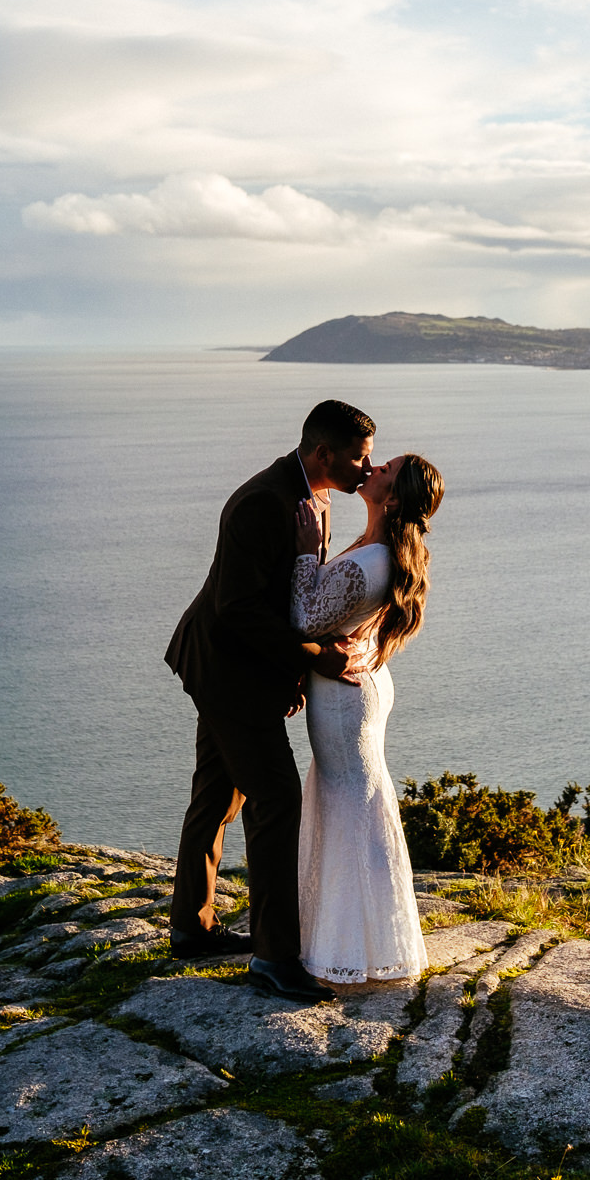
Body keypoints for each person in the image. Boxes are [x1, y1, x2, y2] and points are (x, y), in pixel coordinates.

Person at [166, 400, 374, 1002]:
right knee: (277, 799)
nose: (368, 466)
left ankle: (190, 928)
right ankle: (275, 958)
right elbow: (240, 610)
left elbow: (289, 597)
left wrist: (290, 676)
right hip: (228, 670)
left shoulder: (315, 496)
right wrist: (312, 660)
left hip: (246, 668)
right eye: (358, 457)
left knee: (216, 793)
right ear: (323, 453)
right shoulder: (265, 502)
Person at [291, 452, 442, 985]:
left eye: (385, 471)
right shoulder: (380, 551)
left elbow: (304, 617)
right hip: (354, 689)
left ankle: (354, 949)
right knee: (354, 800)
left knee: (351, 804)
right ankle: (356, 940)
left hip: (346, 699)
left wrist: (307, 553)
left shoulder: (371, 560)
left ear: (394, 497)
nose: (373, 468)